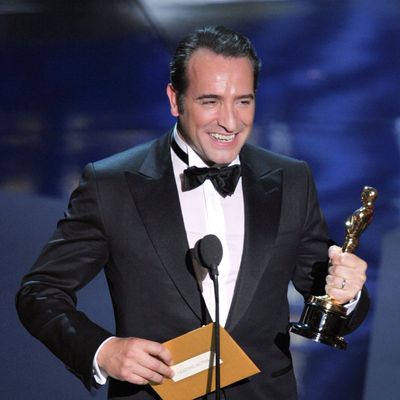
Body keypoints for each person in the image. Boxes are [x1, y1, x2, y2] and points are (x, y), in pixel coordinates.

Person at [16, 26, 369, 400]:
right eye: (211, 101)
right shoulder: (112, 184)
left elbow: (326, 300)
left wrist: (346, 294)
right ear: (175, 99)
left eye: (243, 101)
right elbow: (40, 293)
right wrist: (103, 351)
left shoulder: (291, 179)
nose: (230, 122)